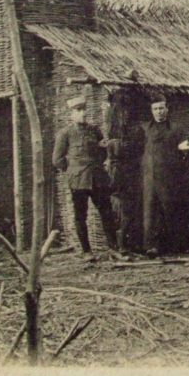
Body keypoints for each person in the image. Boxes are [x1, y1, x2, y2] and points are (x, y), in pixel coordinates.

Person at [52, 94, 123, 262]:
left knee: (107, 213)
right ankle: (86, 251)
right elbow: (57, 159)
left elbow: (103, 151)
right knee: (80, 215)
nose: (83, 113)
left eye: (84, 109)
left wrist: (98, 164)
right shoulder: (65, 133)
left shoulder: (94, 130)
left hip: (98, 178)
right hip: (78, 180)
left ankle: (113, 249)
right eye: (78, 110)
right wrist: (72, 171)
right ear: (71, 114)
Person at [141, 95, 189, 257]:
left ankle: (174, 246)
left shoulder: (177, 129)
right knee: (150, 211)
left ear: (167, 110)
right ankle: (151, 246)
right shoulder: (144, 129)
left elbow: (186, 152)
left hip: (170, 178)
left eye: (161, 108)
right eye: (155, 109)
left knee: (171, 210)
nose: (159, 112)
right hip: (149, 178)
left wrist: (177, 169)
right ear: (151, 111)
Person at [105, 92, 145, 254]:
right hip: (119, 173)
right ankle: (121, 245)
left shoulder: (133, 130)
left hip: (131, 172)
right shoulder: (114, 132)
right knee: (122, 208)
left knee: (131, 207)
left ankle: (129, 243)